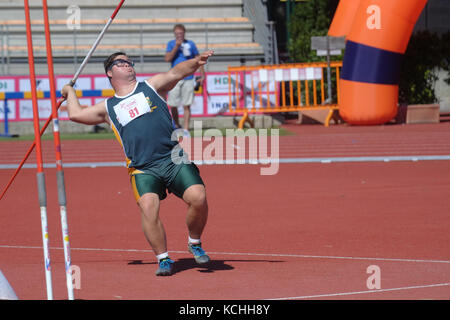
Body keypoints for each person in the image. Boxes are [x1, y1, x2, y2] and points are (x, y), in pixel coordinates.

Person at [61, 50, 214, 276]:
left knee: (198, 197)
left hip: (172, 157)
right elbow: (75, 114)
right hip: (143, 168)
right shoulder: (108, 107)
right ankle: (163, 259)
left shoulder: (151, 86)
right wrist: (69, 91)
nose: (128, 65)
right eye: (121, 63)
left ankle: (194, 242)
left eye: (128, 61)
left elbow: (176, 72)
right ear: (110, 72)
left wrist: (195, 62)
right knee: (148, 208)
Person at [165, 24, 205, 135]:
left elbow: (198, 59)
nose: (179, 35)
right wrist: (176, 47)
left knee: (187, 104)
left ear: (184, 33)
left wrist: (202, 74)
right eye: (177, 33)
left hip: (188, 77)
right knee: (173, 104)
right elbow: (167, 58)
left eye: (181, 33)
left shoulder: (190, 44)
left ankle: (186, 129)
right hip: (174, 78)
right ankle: (177, 125)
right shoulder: (171, 44)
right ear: (174, 34)